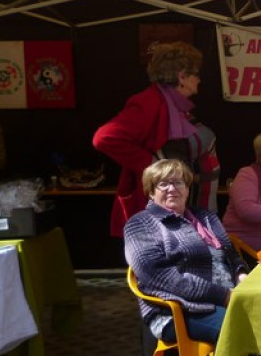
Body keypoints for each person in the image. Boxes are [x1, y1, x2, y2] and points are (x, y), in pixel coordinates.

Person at [124, 159, 261, 356]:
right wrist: (223, 295)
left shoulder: (204, 216)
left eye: (178, 182)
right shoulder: (142, 225)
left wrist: (240, 275)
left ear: (187, 186)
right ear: (150, 190)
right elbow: (164, 279)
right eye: (163, 183)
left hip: (229, 295)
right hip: (179, 309)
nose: (172, 188)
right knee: (243, 325)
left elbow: (231, 255)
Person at [94, 41, 220, 237]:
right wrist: (153, 166)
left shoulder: (175, 106)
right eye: (196, 74)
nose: (199, 80)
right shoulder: (150, 102)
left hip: (182, 208)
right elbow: (104, 138)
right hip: (160, 213)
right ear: (182, 76)